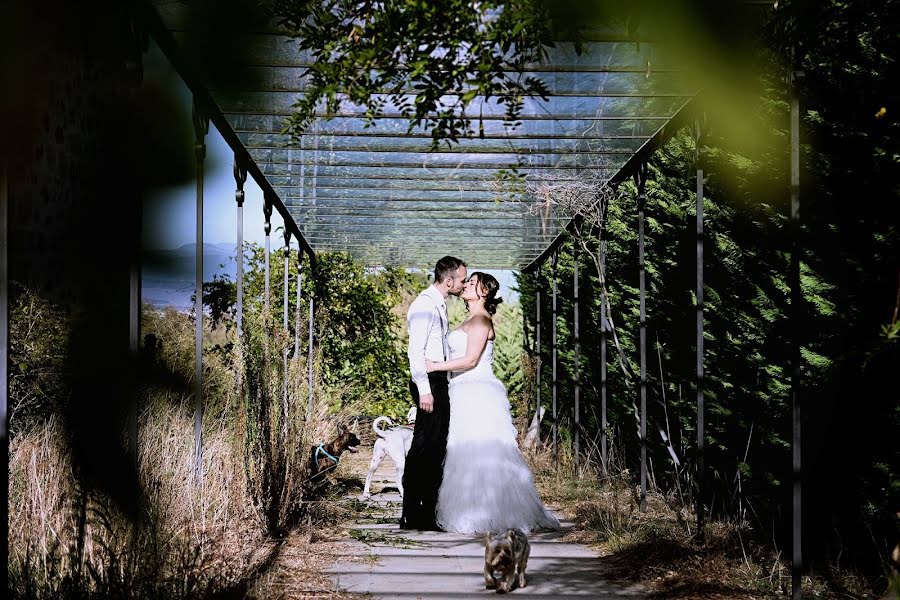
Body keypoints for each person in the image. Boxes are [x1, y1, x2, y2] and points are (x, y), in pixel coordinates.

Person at [426, 272, 560, 535]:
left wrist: (434, 367)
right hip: (463, 390)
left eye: (472, 283)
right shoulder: (471, 318)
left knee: (479, 451)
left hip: (476, 392)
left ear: (484, 292)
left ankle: (486, 512)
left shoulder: (479, 320)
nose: (466, 285)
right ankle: (470, 508)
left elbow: (470, 360)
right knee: (463, 452)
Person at [400, 256, 468, 531]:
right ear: (448, 280)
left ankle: (427, 513)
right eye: (462, 280)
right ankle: (411, 514)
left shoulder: (437, 304)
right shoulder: (424, 306)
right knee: (423, 448)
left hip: (438, 380)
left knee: (435, 448)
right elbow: (415, 352)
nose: (463, 285)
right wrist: (425, 391)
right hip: (429, 382)